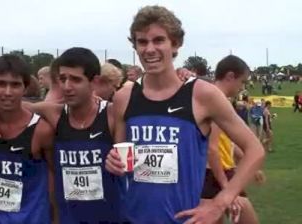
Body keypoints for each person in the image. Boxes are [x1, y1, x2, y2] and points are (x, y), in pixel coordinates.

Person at [105, 6, 264, 224]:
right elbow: (121, 158)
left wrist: (220, 202)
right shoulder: (124, 97)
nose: (149, 49)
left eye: (159, 40)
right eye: (142, 42)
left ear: (176, 44)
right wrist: (113, 161)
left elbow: (255, 150)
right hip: (132, 218)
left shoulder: (202, 94)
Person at [0, 47, 124, 223]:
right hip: (68, 219)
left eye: (76, 80)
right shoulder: (54, 113)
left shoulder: (111, 115)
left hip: (110, 217)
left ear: (94, 82)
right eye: (63, 79)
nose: (67, 87)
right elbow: (12, 103)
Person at [0, 55, 55, 224]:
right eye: (1, 84)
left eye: (15, 85)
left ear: (25, 88)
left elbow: (53, 176)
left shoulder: (41, 130)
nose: (7, 92)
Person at [200, 55, 262, 224]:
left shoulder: (218, 100)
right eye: (242, 82)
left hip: (220, 172)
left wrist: (248, 163)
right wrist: (226, 186)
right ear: (230, 76)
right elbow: (211, 148)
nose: (242, 87)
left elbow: (226, 141)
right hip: (214, 174)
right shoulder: (212, 100)